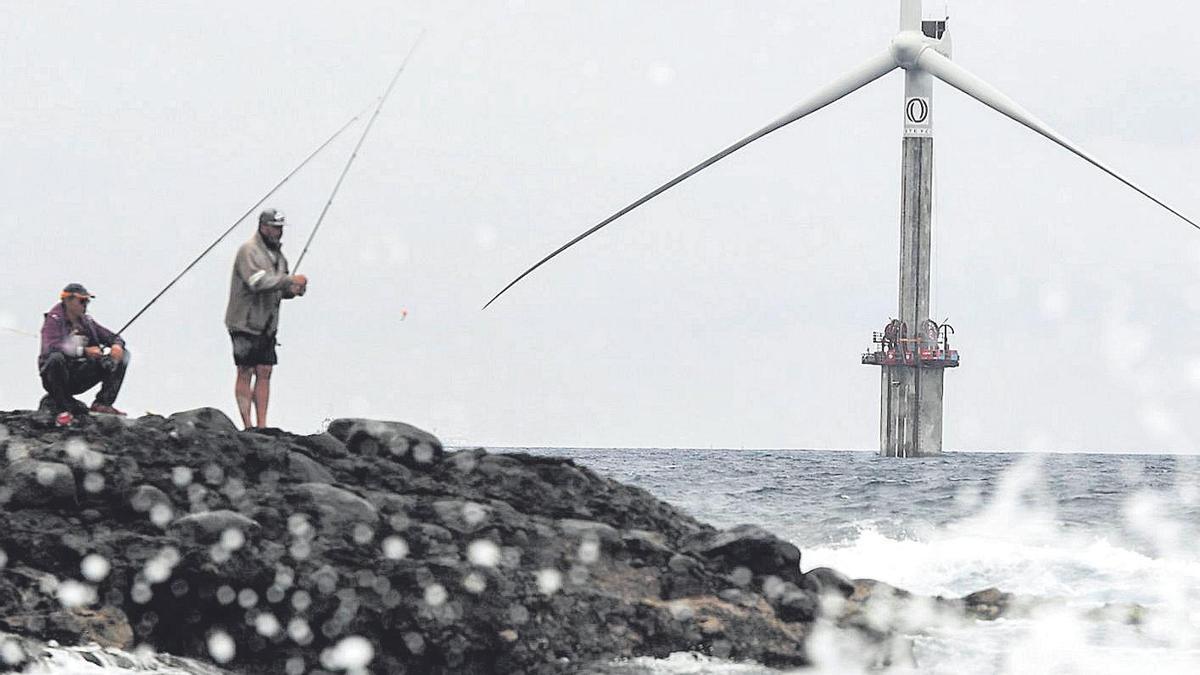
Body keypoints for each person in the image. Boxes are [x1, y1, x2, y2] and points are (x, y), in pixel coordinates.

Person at [225, 208, 308, 429]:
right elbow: (257, 282)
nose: (278, 232)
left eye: (280, 228)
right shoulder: (248, 251)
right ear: (263, 227)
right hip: (244, 321)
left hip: (267, 325)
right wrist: (287, 280)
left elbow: (280, 288)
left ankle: (262, 425)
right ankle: (248, 424)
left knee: (265, 370)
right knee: (245, 370)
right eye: (274, 227)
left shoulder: (279, 257)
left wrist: (295, 289)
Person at [38, 283, 130, 426]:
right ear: (68, 300)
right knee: (56, 358)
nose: (85, 305)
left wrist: (117, 345)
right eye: (82, 301)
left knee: (123, 355)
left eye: (87, 301)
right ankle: (63, 409)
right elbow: (51, 347)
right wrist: (83, 351)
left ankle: (103, 404)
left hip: (81, 374)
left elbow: (112, 337)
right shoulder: (54, 320)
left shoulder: (87, 321)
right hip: (57, 377)